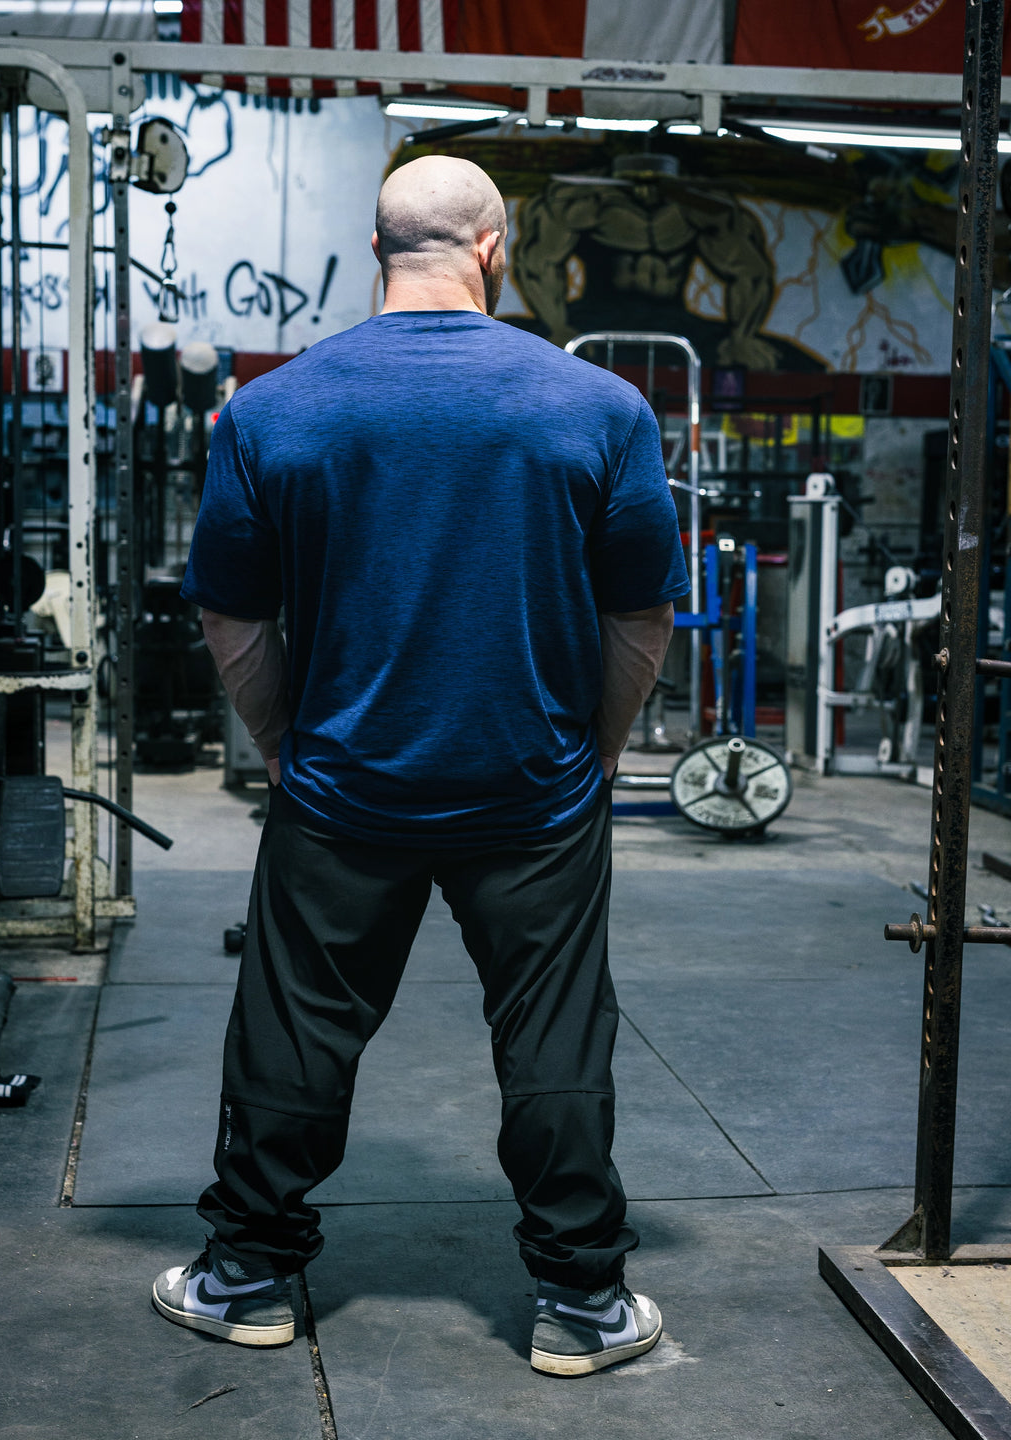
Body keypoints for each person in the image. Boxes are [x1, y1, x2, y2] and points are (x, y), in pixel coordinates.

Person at [152, 154, 689, 1377]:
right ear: (494, 248)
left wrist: (287, 748)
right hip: (534, 795)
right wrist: (592, 756)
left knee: (295, 1032)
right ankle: (583, 1306)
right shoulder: (599, 408)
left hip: (343, 793)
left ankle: (245, 1279)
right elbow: (641, 618)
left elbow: (231, 617)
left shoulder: (273, 408)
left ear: (378, 243)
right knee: (553, 1039)